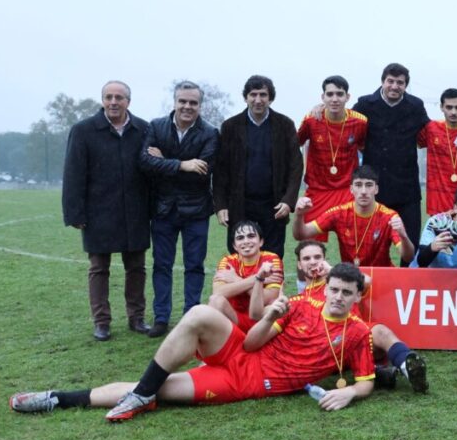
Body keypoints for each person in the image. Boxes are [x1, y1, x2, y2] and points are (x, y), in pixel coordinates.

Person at [10, 264, 376, 421]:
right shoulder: (301, 304)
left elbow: (366, 381)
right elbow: (250, 345)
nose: (338, 297)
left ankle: (57, 397)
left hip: (247, 383)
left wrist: (348, 393)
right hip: (245, 354)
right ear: (324, 288)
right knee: (201, 312)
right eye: (334, 290)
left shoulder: (358, 332)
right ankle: (141, 396)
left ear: (358, 295)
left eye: (347, 292)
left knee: (163, 389)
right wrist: (269, 316)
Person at [62, 79, 151, 341]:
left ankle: (136, 318)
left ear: (128, 102)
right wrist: (74, 213)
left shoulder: (143, 130)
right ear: (102, 101)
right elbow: (73, 173)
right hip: (98, 212)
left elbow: (151, 171)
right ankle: (101, 322)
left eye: (119, 98)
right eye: (109, 97)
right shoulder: (83, 130)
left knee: (136, 267)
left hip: (135, 211)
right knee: (98, 268)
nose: (113, 102)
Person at [138, 80, 219, 338]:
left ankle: (190, 317)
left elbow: (203, 170)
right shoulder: (156, 126)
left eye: (193, 102)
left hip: (196, 210)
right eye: (182, 101)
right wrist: (183, 165)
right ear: (174, 102)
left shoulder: (210, 133)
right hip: (163, 210)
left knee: (194, 266)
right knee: (162, 265)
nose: (187, 106)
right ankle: (161, 318)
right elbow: (144, 162)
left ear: (199, 105)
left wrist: (164, 163)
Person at [294, 240, 428, 393]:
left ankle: (408, 367)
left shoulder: (343, 282)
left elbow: (366, 281)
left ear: (325, 260)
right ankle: (379, 373)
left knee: (380, 331)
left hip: (358, 337)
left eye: (317, 257)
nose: (313, 262)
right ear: (299, 264)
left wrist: (332, 271)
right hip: (330, 347)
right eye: (306, 259)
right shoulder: (301, 299)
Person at [213, 74, 303, 263]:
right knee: (240, 257)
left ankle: (272, 293)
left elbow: (296, 165)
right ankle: (242, 292)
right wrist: (220, 205)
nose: (258, 100)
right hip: (240, 205)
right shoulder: (230, 126)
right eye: (253, 95)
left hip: (274, 206)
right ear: (245, 97)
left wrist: (288, 201)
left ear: (270, 98)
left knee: (273, 257)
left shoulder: (285, 125)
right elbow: (221, 170)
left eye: (263, 95)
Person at [353, 63, 430, 254]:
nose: (395, 86)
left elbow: (432, 132)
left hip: (407, 187)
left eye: (400, 83)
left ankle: (407, 279)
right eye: (391, 81)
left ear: (405, 85)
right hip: (375, 187)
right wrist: (321, 109)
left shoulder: (415, 105)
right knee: (371, 244)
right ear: (382, 81)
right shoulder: (365, 104)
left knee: (411, 241)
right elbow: (345, 123)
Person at [292, 165, 414, 267]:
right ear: (351, 189)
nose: (364, 191)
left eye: (369, 185)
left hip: (381, 278)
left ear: (376, 189)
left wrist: (404, 236)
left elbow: (408, 257)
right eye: (358, 185)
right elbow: (301, 234)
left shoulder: (389, 217)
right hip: (350, 279)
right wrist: (299, 215)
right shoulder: (339, 213)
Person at [296, 76, 367, 237]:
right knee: (310, 244)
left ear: (347, 97)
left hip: (347, 190)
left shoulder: (360, 122)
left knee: (354, 242)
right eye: (330, 94)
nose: (335, 99)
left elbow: (366, 149)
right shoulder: (312, 120)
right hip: (317, 190)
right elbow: (295, 144)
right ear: (323, 97)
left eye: (340, 94)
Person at [208, 220, 284, 333]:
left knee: (274, 306)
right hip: (233, 317)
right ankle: (231, 339)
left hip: (261, 319)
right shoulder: (228, 261)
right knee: (215, 300)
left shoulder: (271, 259)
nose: (246, 241)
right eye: (240, 238)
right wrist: (258, 279)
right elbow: (218, 292)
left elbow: (268, 298)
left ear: (261, 242)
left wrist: (235, 279)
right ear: (234, 245)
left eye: (251, 236)